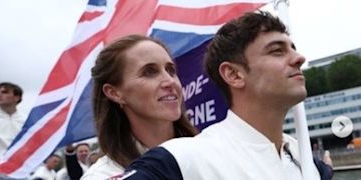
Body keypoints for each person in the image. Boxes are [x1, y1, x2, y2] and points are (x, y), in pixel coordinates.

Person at [119, 11, 332, 179]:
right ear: (233, 74)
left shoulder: (307, 161)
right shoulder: (183, 160)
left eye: (292, 48)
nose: (299, 58)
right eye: (277, 50)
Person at [81, 35, 197, 179]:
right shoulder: (101, 176)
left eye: (170, 70)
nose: (169, 81)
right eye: (149, 72)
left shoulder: (213, 151)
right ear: (114, 93)